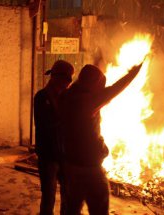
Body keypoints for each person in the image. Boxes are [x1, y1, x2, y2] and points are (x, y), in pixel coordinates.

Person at [60, 63, 143, 215]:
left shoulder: (67, 96)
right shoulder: (87, 101)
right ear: (92, 84)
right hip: (89, 168)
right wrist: (133, 72)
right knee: (99, 207)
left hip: (70, 166)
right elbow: (115, 89)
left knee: (71, 208)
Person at [34, 60, 74, 215]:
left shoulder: (67, 97)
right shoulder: (41, 97)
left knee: (68, 195)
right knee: (49, 196)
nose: (69, 84)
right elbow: (45, 124)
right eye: (68, 80)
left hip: (65, 156)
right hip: (48, 156)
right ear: (58, 78)